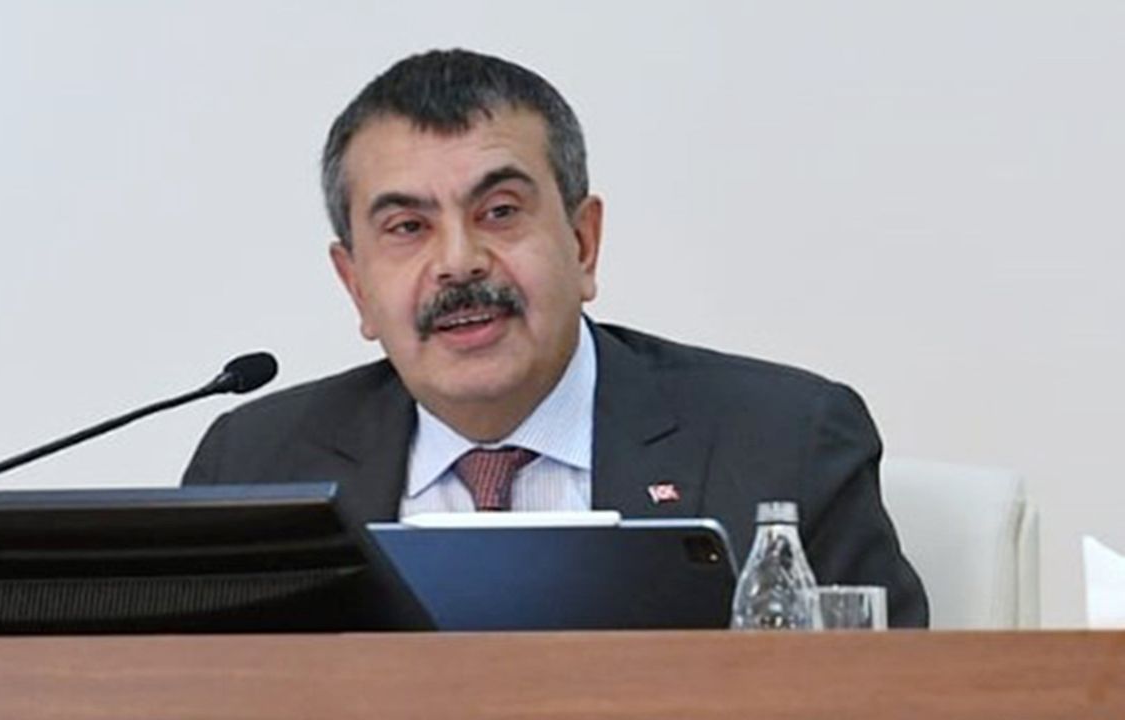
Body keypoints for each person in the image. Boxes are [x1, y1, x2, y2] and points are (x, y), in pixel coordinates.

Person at [183, 48, 929, 628]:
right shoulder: (253, 468)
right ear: (355, 286)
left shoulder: (783, 443)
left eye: (500, 212)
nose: (459, 262)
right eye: (408, 227)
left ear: (582, 243)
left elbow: (892, 695)